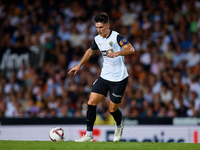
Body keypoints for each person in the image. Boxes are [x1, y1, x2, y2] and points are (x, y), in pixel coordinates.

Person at [68, 12, 135, 142]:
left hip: (119, 78)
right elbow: (90, 51)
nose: (99, 30)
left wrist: (118, 53)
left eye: (101, 27)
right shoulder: (97, 39)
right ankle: (88, 135)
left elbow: (131, 49)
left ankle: (119, 125)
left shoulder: (117, 37)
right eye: (97, 27)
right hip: (105, 76)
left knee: (112, 109)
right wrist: (79, 66)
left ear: (108, 26)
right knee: (91, 102)